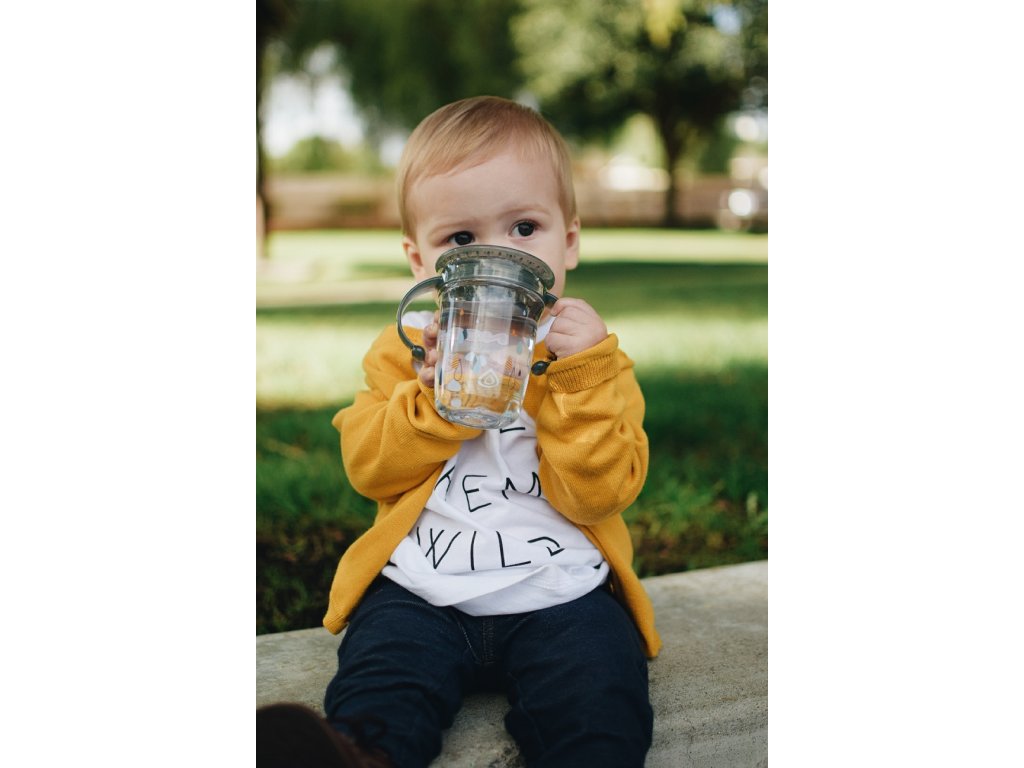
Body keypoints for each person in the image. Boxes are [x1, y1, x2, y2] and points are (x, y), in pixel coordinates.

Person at [258, 95, 661, 768]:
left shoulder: (592, 365)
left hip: (561, 591)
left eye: (525, 227)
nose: (498, 255)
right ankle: (360, 755)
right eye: (462, 240)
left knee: (600, 695)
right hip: (421, 591)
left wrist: (580, 382)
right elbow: (369, 468)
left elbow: (600, 495)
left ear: (569, 241)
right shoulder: (404, 353)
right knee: (382, 679)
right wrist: (434, 400)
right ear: (420, 260)